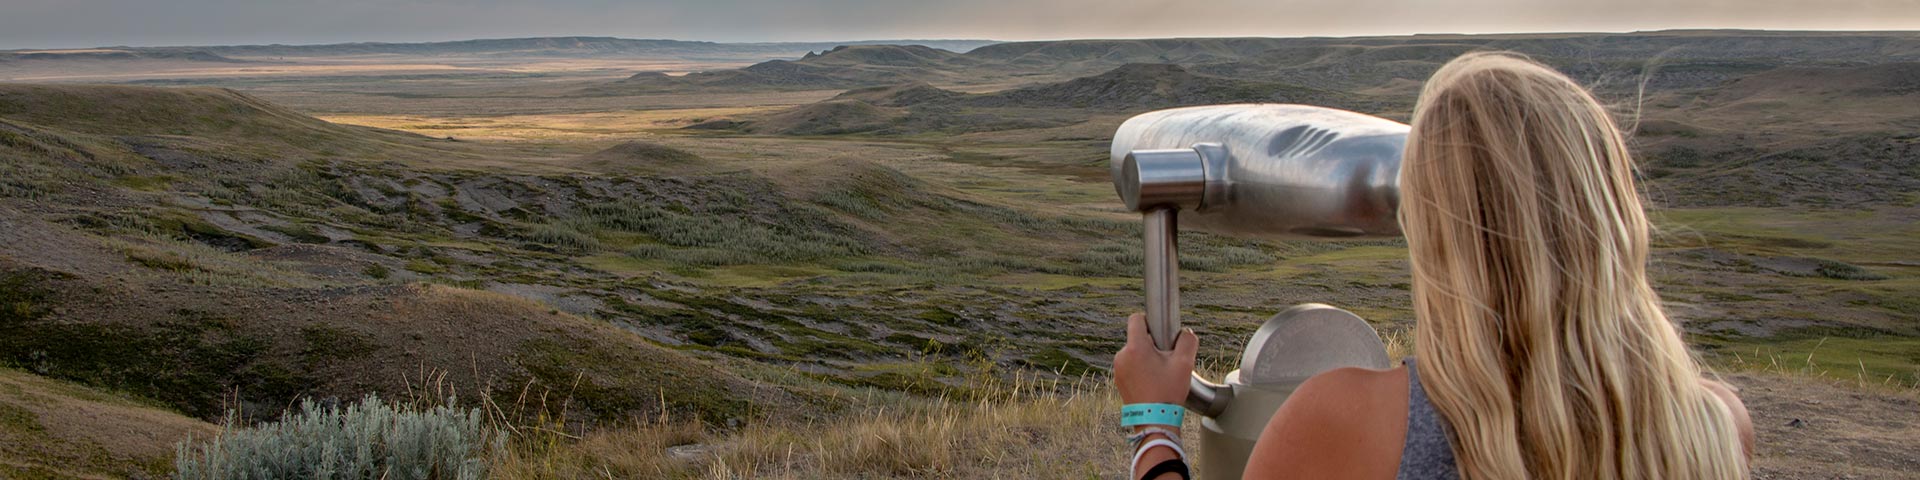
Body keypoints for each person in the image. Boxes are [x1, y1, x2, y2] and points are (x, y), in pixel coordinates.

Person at [1112, 52, 1756, 480]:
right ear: (1614, 216)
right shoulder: (1717, 427)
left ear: (1432, 226)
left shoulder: (1350, 424)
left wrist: (1155, 424)